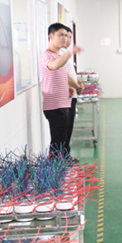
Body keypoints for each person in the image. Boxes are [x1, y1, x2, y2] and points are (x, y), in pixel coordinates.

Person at [40, 23, 81, 158]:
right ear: (51, 36)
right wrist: (70, 52)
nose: (64, 38)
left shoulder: (58, 55)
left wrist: (71, 87)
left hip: (63, 102)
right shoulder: (47, 56)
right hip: (54, 105)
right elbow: (54, 66)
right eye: (61, 35)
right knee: (57, 141)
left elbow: (64, 75)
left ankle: (61, 165)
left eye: (66, 35)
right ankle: (54, 170)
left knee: (63, 138)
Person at [62, 27, 82, 161]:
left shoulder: (65, 53)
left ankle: (66, 155)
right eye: (64, 36)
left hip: (71, 95)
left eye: (70, 36)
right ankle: (62, 157)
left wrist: (78, 81)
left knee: (68, 128)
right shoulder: (60, 54)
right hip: (66, 96)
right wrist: (78, 86)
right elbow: (64, 75)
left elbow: (71, 73)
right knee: (64, 129)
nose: (68, 39)